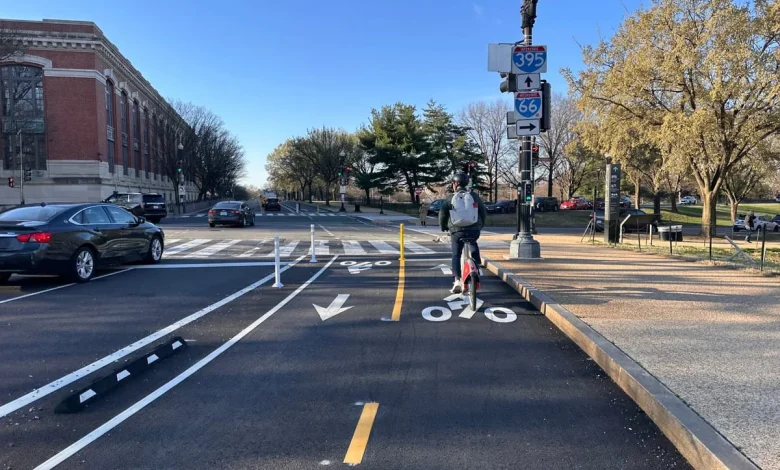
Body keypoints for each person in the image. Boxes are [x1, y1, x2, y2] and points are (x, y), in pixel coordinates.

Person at [439, 172, 488, 294]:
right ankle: (477, 265)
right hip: (474, 230)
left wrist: (443, 227)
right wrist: (480, 225)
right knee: (473, 242)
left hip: (457, 231)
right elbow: (483, 212)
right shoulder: (474, 196)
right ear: (466, 184)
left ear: (455, 184)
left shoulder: (450, 198)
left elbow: (443, 214)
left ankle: (457, 280)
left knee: (456, 254)